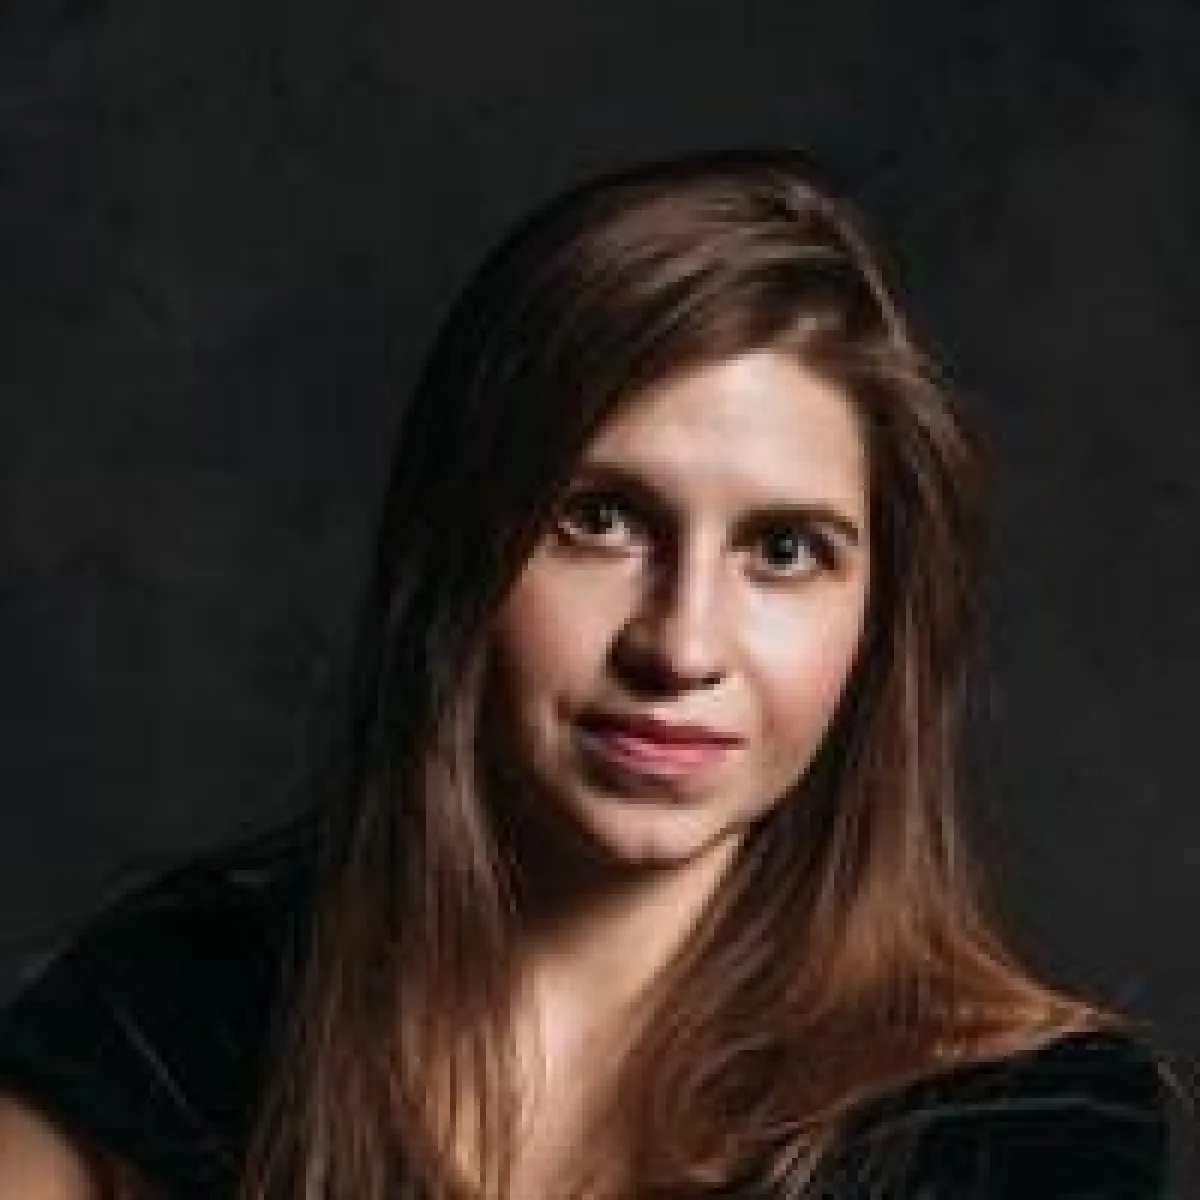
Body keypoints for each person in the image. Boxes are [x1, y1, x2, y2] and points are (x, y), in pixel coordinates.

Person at [0, 152, 1169, 1199]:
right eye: (600, 519)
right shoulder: (165, 1021)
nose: (681, 646)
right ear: (459, 550)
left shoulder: (1014, 1131)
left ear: (878, 618)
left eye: (783, 550)